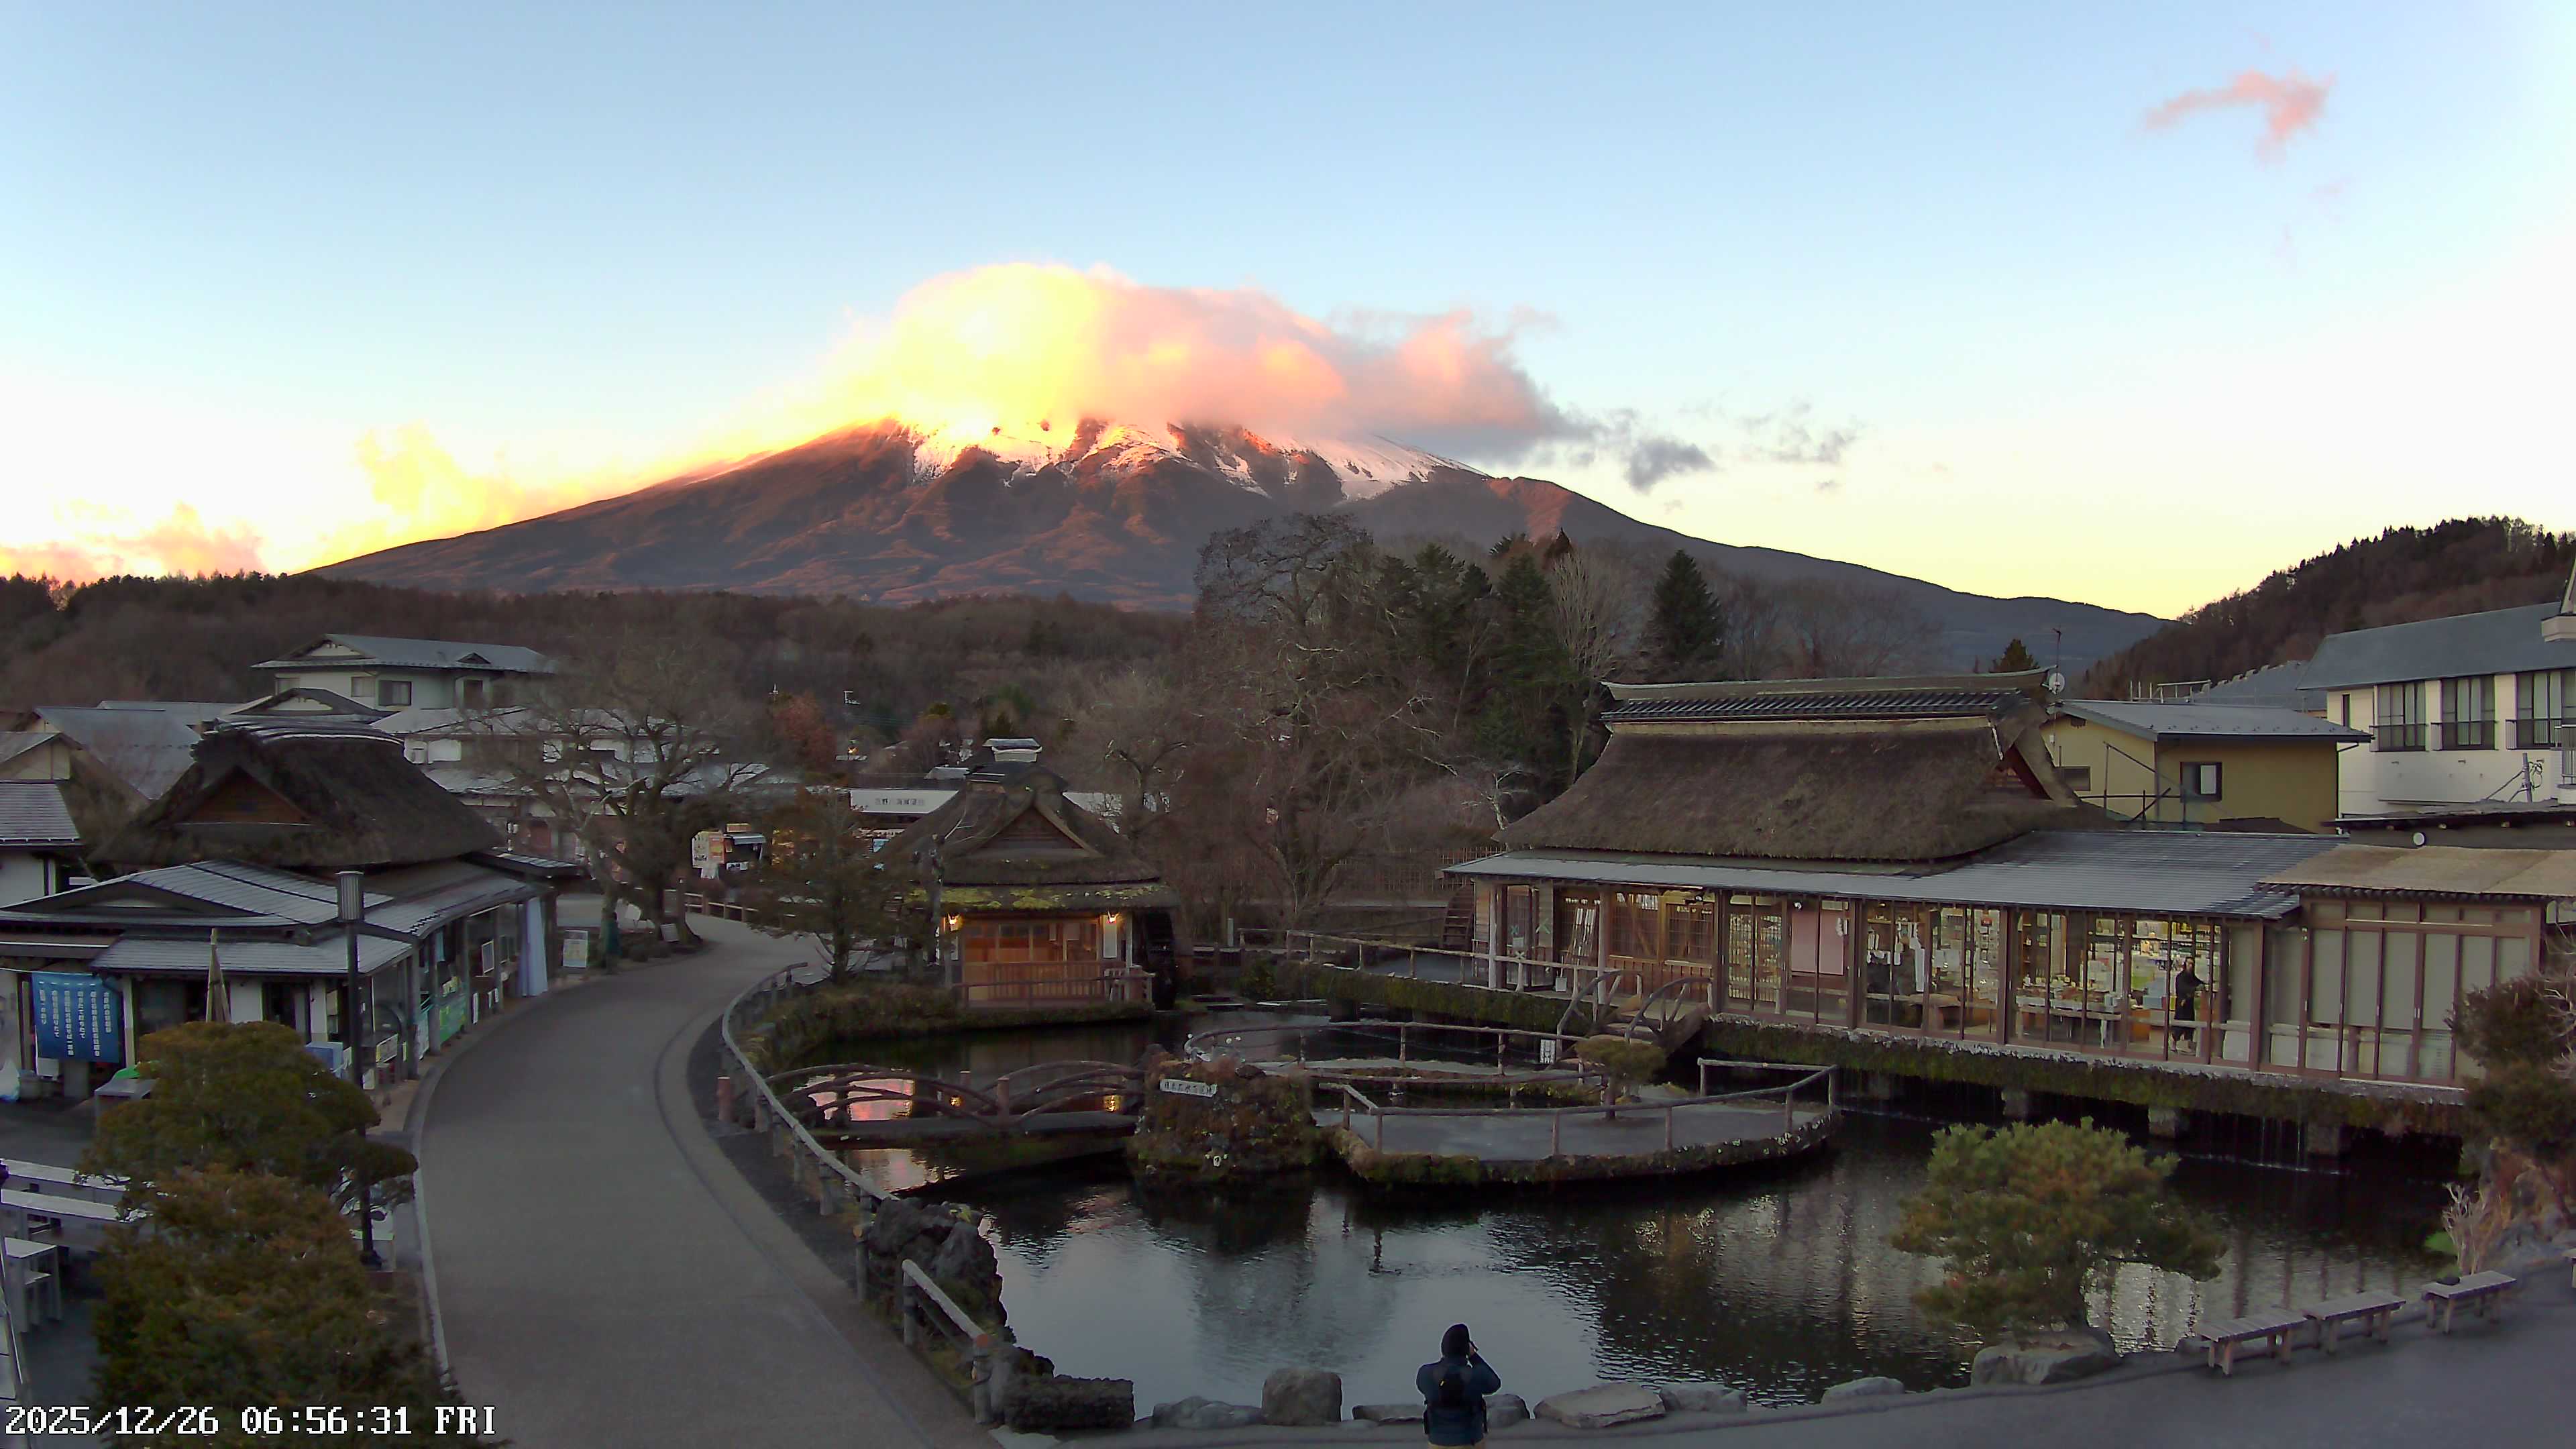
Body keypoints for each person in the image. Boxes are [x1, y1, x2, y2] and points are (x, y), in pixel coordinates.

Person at [1417, 1322, 1501, 1448]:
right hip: (1469, 1442)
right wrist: (1474, 1356)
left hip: (1437, 1442)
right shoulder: (1476, 1376)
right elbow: (1494, 1383)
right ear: (1466, 1349)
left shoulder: (1426, 1374)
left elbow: (1421, 1387)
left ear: (1443, 1348)